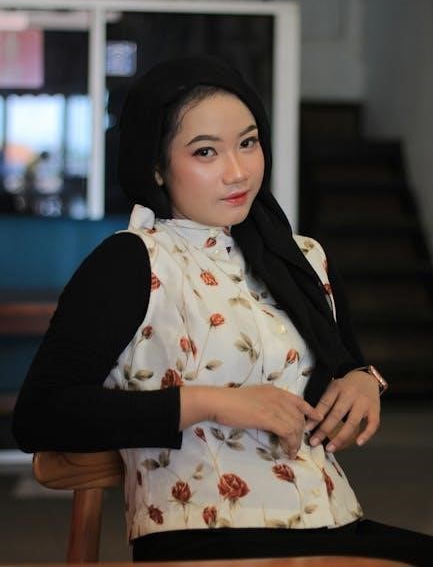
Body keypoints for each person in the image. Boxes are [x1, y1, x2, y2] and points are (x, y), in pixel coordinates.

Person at [12, 56, 432, 565]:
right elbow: (41, 416)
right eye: (205, 151)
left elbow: (347, 364)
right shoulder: (132, 262)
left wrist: (365, 381)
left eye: (248, 143)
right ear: (156, 167)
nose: (238, 171)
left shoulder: (302, 258)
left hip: (334, 520)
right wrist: (213, 403)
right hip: (207, 534)